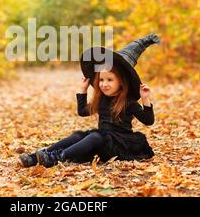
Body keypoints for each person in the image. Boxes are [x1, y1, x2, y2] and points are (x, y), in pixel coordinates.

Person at [19, 33, 160, 168]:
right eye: (101, 80)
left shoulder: (128, 102)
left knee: (95, 136)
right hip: (101, 141)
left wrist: (145, 99)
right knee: (77, 136)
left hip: (119, 144)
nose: (104, 84)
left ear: (122, 82)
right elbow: (82, 112)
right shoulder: (102, 100)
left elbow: (148, 120)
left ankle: (58, 157)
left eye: (110, 80)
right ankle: (39, 156)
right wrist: (83, 91)